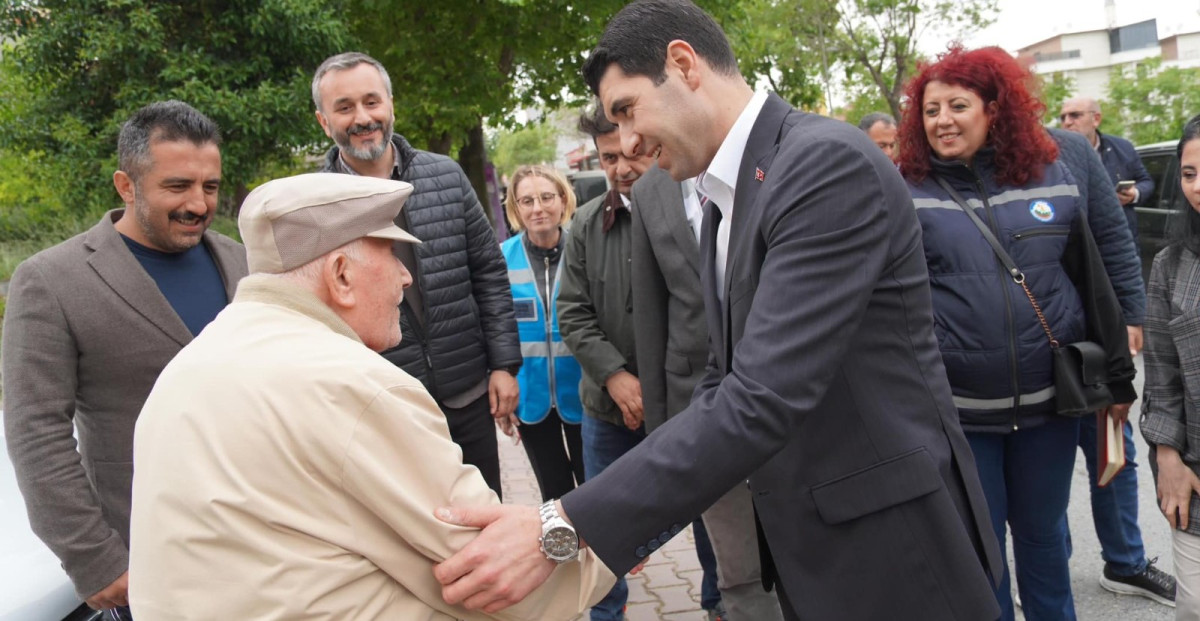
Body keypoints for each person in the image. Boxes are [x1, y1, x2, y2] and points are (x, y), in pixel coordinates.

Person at [431, 2, 1003, 620]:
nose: (625, 144)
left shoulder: (821, 164)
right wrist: (617, 520)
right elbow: (718, 383)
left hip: (890, 550)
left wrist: (562, 525)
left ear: (683, 65)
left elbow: (762, 396)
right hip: (816, 541)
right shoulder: (725, 195)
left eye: (627, 110)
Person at [127, 173, 612, 619]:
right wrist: (611, 535)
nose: (407, 278)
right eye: (393, 256)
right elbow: (489, 572)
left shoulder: (189, 366)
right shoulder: (354, 384)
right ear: (340, 274)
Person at [896, 46, 1136, 621]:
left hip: (1050, 410)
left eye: (958, 105)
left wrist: (1120, 379)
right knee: (983, 556)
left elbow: (1093, 277)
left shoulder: (1052, 178)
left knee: (1044, 538)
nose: (943, 120)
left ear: (994, 110)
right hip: (960, 415)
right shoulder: (904, 190)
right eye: (930, 111)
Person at [1, 100, 247, 615]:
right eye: (177, 186)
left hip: (261, 542)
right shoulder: (50, 280)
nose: (198, 204)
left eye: (210, 187)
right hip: (149, 557)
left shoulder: (243, 261)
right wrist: (95, 560)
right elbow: (35, 431)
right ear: (126, 185)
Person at [313, 52, 520, 498]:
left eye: (372, 101)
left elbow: (488, 271)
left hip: (468, 393)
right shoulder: (314, 206)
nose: (362, 117)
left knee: (486, 518)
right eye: (344, 107)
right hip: (386, 410)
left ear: (391, 104)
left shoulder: (445, 176)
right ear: (323, 120)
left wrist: (504, 364)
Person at [631, 162, 782, 621]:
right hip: (697, 402)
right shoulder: (648, 190)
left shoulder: (772, 159)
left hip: (783, 393)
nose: (632, 139)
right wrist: (661, 434)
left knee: (808, 556)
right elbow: (650, 311)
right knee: (736, 570)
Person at [556, 104, 652, 621]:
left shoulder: (686, 214)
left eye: (630, 153)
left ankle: (720, 606)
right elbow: (572, 311)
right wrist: (615, 377)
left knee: (710, 520)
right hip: (605, 412)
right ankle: (605, 613)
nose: (621, 167)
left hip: (680, 408)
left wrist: (655, 390)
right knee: (603, 528)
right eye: (608, 157)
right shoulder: (588, 225)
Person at [499, 165, 585, 501]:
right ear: (516, 209)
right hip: (530, 398)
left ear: (563, 200)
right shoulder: (501, 258)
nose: (538, 208)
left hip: (584, 395)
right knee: (554, 494)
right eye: (527, 201)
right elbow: (495, 328)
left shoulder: (584, 248)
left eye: (547, 197)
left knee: (596, 491)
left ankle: (605, 553)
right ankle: (568, 554)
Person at [1144, 113, 1200, 621]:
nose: (1198, 187)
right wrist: (1169, 458)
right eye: (1189, 173)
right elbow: (1160, 377)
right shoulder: (1172, 264)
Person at [1060, 97, 1155, 247]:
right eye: (1062, 117)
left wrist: (1133, 194)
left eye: (1075, 115)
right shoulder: (1053, 155)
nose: (1067, 122)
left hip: (1120, 242)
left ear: (1096, 119)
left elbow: (1146, 181)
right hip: (1078, 246)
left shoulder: (1122, 147)